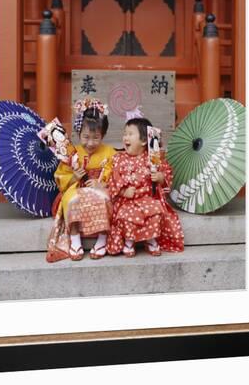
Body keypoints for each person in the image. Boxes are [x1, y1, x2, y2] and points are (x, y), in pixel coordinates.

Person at [46, 99, 116, 262]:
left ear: (103, 135)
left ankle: (102, 238)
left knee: (103, 198)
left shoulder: (110, 153)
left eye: (96, 137)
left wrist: (102, 184)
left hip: (98, 187)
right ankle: (75, 237)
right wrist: (74, 177)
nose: (90, 143)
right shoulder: (71, 153)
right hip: (75, 187)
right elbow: (61, 178)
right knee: (72, 199)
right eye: (85, 137)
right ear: (78, 134)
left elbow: (116, 175)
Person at [106, 115, 184, 257]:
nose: (125, 138)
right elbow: (113, 179)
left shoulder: (153, 158)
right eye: (125, 134)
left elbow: (166, 174)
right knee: (126, 215)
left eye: (130, 134)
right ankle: (129, 241)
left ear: (143, 141)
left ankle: (151, 239)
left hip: (147, 198)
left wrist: (160, 178)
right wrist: (123, 191)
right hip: (128, 200)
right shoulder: (119, 158)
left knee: (155, 211)